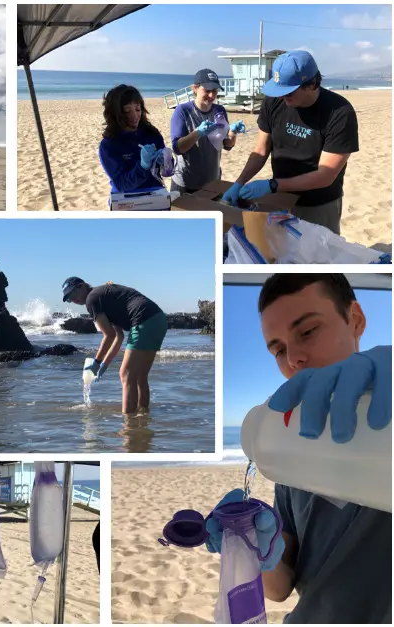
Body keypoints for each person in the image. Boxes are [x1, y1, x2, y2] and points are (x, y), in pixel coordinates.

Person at [207, 273, 391, 623]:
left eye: (307, 332)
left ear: (355, 320)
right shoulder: (290, 452)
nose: (293, 358)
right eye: (278, 349)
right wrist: (252, 546)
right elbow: (279, 588)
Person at [222, 51, 359, 234]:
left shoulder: (340, 112)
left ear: (312, 84)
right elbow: (261, 150)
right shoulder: (273, 102)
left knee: (318, 257)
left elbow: (326, 175)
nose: (282, 97)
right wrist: (239, 183)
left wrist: (272, 185)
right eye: (279, 90)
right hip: (279, 197)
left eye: (289, 92)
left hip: (318, 203)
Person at [61, 277, 167, 415]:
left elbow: (109, 335)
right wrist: (105, 363)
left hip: (143, 320)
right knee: (140, 376)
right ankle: (143, 417)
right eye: (69, 298)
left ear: (82, 286)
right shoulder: (103, 296)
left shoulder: (91, 299)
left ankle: (128, 425)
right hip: (158, 319)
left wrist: (97, 362)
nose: (73, 299)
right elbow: (118, 337)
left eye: (73, 294)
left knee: (126, 374)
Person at [170, 69, 246, 195]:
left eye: (215, 91)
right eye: (207, 90)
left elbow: (227, 145)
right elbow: (177, 148)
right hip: (185, 183)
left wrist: (233, 132)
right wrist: (197, 133)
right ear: (195, 88)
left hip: (212, 182)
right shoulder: (182, 111)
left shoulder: (219, 110)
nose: (211, 96)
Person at [98, 84, 165, 194]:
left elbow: (165, 172)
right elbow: (122, 183)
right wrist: (143, 167)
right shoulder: (109, 145)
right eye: (127, 111)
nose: (134, 116)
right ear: (114, 113)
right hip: (127, 201)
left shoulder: (152, 134)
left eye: (138, 109)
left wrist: (167, 162)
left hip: (155, 194)